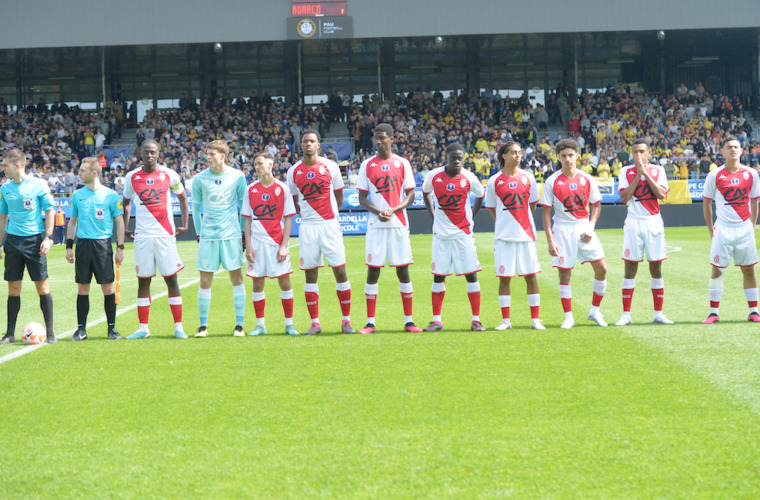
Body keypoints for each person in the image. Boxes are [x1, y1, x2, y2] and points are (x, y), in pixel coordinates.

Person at [355, 123, 422, 334]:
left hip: (398, 224)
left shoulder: (403, 163)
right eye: (376, 138)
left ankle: (409, 321)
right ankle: (370, 323)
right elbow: (361, 198)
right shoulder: (367, 165)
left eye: (383, 138)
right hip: (376, 225)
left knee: (402, 270)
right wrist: (378, 212)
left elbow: (411, 195)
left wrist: (393, 209)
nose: (378, 141)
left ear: (392, 139)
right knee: (373, 271)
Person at [286, 129, 354, 334]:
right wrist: (308, 216)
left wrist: (329, 216)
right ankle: (315, 323)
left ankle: (346, 321)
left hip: (329, 225)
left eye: (312, 141)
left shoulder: (331, 166)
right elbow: (295, 200)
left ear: (318, 145)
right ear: (302, 145)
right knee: (310, 275)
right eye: (305, 141)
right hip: (307, 227)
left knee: (340, 271)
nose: (308, 144)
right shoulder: (293, 171)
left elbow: (339, 196)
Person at [122, 139, 189, 339]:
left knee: (171, 279)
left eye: (153, 152)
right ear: (140, 153)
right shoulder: (131, 177)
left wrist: (184, 224)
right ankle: (143, 329)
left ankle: (179, 327)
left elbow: (183, 197)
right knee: (143, 282)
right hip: (142, 236)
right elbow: (125, 203)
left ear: (159, 153)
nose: (149, 155)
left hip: (164, 235)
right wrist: (125, 228)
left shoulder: (169, 174)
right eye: (146, 152)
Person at [541, 138, 608, 329]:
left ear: (577, 156)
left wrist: (591, 226)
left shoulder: (587, 178)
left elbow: (596, 205)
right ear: (558, 157)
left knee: (602, 269)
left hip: (583, 227)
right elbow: (546, 212)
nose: (568, 159)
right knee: (565, 275)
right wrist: (550, 240)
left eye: (571, 155)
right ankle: (568, 317)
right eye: (563, 156)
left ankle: (595, 311)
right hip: (562, 229)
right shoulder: (551, 181)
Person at [421, 142, 486, 332]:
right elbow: (425, 193)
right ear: (446, 157)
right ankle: (436, 321)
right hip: (441, 235)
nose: (457, 161)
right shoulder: (433, 176)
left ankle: (476, 320)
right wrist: (433, 215)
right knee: (439, 276)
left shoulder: (469, 177)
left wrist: (471, 216)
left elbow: (480, 195)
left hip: (463, 234)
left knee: (471, 275)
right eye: (453, 158)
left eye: (460, 158)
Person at [484, 141, 545, 331]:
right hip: (504, 237)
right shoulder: (494, 181)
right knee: (504, 278)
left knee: (531, 277)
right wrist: (505, 223)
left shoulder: (528, 177)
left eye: (519, 152)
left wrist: (521, 221)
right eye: (513, 152)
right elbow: (492, 209)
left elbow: (533, 204)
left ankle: (535, 319)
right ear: (504, 156)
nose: (518, 156)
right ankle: (506, 320)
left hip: (526, 235)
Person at [0, 149, 57, 344]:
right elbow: (2, 218)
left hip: (34, 242)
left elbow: (50, 211)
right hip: (13, 242)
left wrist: (48, 237)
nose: (2, 168)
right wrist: (0, 243)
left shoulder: (39, 184)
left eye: (5, 165)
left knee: (42, 287)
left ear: (17, 166)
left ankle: (50, 334)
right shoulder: (5, 188)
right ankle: (9, 334)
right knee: (13, 290)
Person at [191, 140, 247, 337]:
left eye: (212, 154)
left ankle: (239, 325)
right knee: (205, 280)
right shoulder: (199, 179)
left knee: (237, 278)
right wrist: (199, 234)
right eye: (207, 154)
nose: (208, 158)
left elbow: (243, 207)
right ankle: (203, 326)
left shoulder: (237, 176)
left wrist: (242, 233)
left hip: (231, 235)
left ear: (223, 156)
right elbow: (196, 208)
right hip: (208, 236)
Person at [65, 157, 125, 340]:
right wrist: (69, 246)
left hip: (102, 245)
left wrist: (120, 247)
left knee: (107, 289)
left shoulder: (111, 195)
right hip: (83, 245)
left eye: (82, 170)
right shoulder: (77, 195)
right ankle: (81, 330)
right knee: (82, 288)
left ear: (94, 173)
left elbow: (120, 223)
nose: (79, 173)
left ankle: (112, 329)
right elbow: (72, 222)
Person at [702, 136, 760, 324]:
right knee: (717, 270)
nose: (733, 150)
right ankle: (713, 313)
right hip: (723, 229)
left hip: (744, 228)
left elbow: (754, 200)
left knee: (749, 270)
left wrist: (751, 225)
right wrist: (711, 229)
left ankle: (753, 311)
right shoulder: (715, 175)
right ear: (723, 151)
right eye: (729, 147)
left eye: (736, 147)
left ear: (742, 151)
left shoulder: (752, 174)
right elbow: (706, 202)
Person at [615, 138, 674, 326]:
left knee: (656, 267)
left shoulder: (658, 170)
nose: (639, 155)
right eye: (635, 152)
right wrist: (637, 174)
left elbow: (661, 195)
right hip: (633, 222)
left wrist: (645, 174)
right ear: (632, 154)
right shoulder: (625, 171)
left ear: (649, 152)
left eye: (642, 151)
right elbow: (624, 197)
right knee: (630, 268)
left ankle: (658, 313)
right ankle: (626, 314)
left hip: (653, 222)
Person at [241, 152, 298, 336]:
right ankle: (260, 325)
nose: (256, 167)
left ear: (270, 165)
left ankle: (289, 324)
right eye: (255, 164)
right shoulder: (250, 189)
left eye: (260, 164)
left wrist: (284, 245)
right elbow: (247, 220)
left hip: (276, 242)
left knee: (285, 282)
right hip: (257, 244)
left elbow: (288, 219)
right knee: (257, 284)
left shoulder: (283, 189)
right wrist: (248, 246)